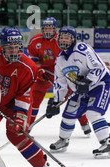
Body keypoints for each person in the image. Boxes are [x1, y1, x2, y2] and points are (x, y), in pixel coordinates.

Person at [0, 28, 53, 167]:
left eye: (17, 47)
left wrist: (20, 117)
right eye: (10, 47)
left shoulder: (29, 67)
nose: (14, 50)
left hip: (12, 103)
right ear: (2, 46)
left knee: (16, 133)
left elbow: (24, 95)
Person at [46, 26, 110, 157]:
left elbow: (98, 67)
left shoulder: (83, 49)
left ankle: (107, 141)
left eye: (67, 37)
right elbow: (60, 82)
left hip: (100, 83)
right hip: (80, 90)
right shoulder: (60, 60)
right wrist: (56, 101)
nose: (64, 40)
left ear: (73, 39)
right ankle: (63, 140)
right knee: (69, 113)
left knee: (93, 112)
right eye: (61, 37)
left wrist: (88, 81)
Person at [28, 17, 90, 136]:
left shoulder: (61, 40)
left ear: (54, 29)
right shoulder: (35, 41)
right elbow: (33, 60)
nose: (47, 31)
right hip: (45, 74)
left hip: (64, 73)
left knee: (74, 98)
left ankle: (84, 123)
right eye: (45, 28)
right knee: (35, 100)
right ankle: (29, 125)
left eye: (50, 29)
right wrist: (38, 69)